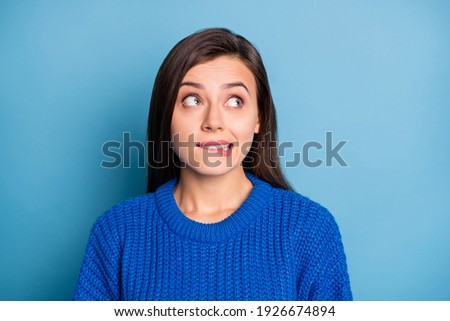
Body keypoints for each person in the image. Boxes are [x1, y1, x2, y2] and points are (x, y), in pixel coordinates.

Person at [73, 28, 352, 301]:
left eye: (234, 101)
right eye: (192, 100)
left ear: (258, 118)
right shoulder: (116, 232)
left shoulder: (310, 229)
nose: (213, 121)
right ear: (166, 116)